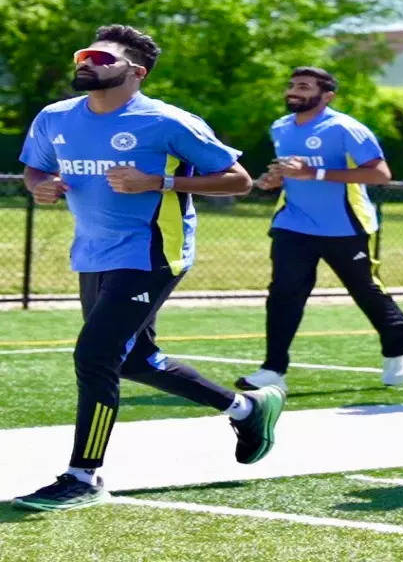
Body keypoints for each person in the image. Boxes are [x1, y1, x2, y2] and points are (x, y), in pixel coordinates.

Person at [14, 25, 283, 511]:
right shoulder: (55, 117)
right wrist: (40, 185)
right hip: (93, 254)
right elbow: (36, 167)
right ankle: (246, 408)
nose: (86, 62)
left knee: (95, 356)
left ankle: (83, 476)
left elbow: (238, 180)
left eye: (101, 57)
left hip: (152, 254)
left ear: (134, 73)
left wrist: (158, 182)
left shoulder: (167, 122)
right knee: (133, 359)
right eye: (84, 54)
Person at [236, 67, 403, 392]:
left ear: (327, 95)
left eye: (303, 86)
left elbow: (380, 175)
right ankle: (273, 369)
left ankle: (399, 344)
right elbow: (291, 171)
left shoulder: (346, 128)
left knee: (364, 290)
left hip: (345, 226)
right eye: (291, 85)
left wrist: (314, 173)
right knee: (283, 294)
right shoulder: (280, 127)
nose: (293, 91)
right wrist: (274, 179)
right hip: (293, 224)